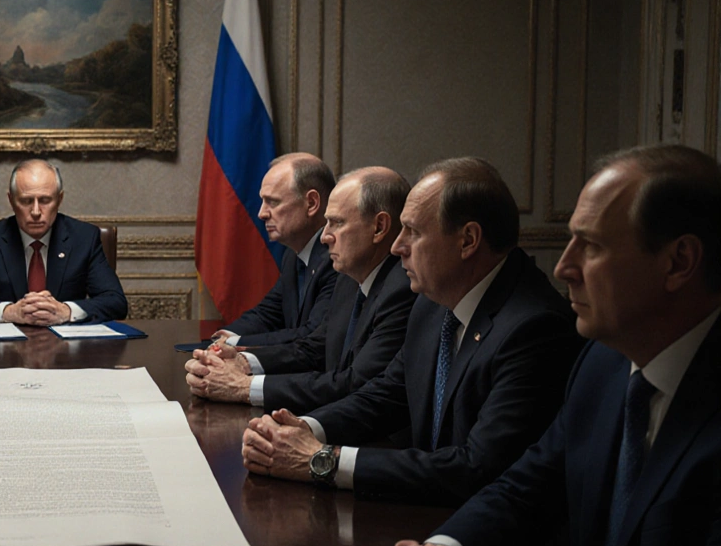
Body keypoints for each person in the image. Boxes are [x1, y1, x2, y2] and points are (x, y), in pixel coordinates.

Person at [373, 145, 721, 546]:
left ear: (679, 262)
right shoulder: (603, 364)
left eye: (593, 246)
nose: (564, 266)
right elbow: (527, 487)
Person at [241, 158, 581, 504]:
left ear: (468, 240)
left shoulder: (534, 328)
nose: (396, 246)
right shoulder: (434, 300)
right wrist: (306, 428)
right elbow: (388, 393)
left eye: (413, 232)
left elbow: (476, 467)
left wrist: (321, 460)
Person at [186, 167, 416, 412]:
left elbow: (355, 383)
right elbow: (315, 348)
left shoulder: (402, 289)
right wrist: (242, 361)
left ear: (379, 227)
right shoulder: (350, 277)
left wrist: (244, 386)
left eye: (336, 223)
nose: (325, 237)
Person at [0, 159, 128, 325]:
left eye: (45, 200)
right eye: (25, 201)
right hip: (6, 351)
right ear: (11, 200)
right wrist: (9, 312)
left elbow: (115, 302)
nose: (35, 211)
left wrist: (66, 311)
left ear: (59, 199)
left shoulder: (84, 237)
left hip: (69, 351)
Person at [211, 153, 339, 347]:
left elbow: (312, 335)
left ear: (311, 203)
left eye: (273, 202)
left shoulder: (338, 259)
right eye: (262, 202)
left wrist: (233, 343)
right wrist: (225, 336)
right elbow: (269, 313)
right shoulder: (293, 255)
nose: (261, 213)